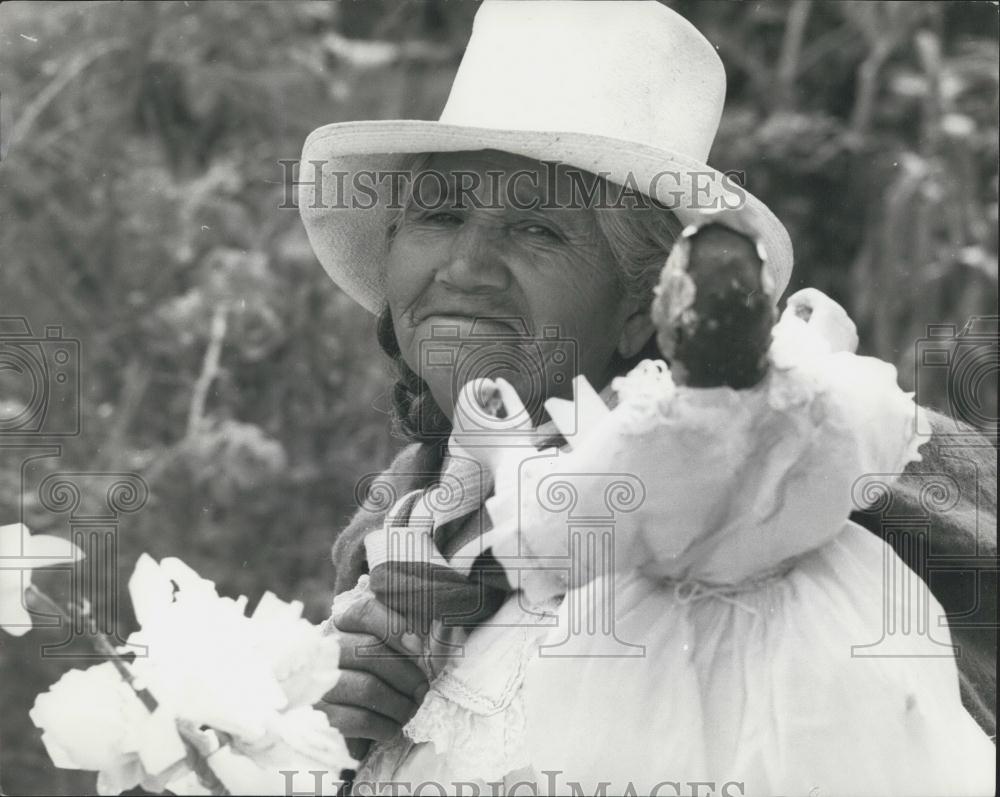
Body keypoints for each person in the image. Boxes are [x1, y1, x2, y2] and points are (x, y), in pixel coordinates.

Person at [297, 1, 997, 792]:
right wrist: (319, 727)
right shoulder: (405, 529)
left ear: (643, 303)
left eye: (537, 230)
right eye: (440, 215)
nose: (465, 267)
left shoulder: (735, 547)